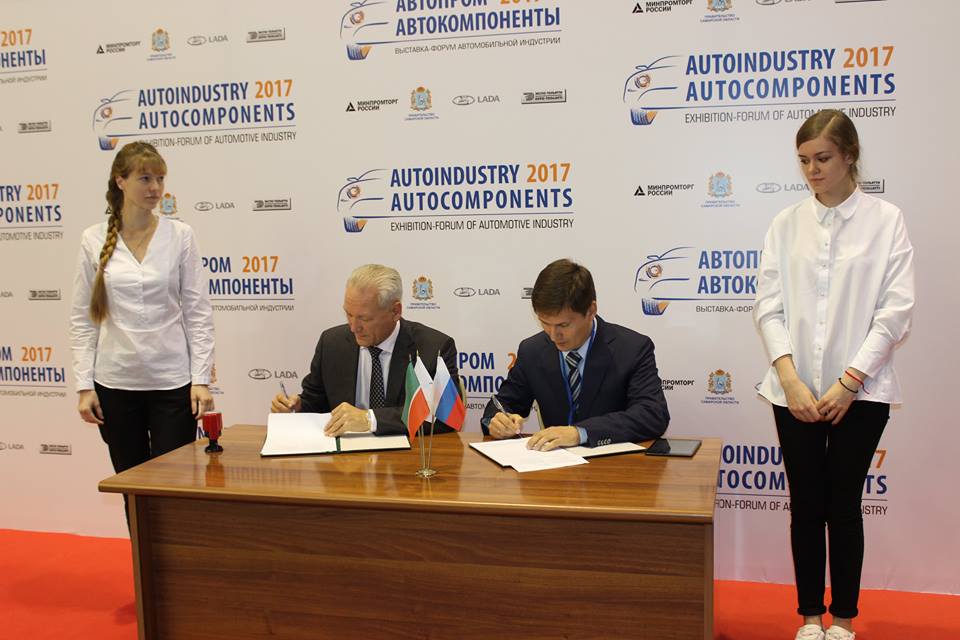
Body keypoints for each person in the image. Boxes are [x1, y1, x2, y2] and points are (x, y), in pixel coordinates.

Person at [754, 109, 915, 640]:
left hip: (862, 393)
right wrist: (790, 379)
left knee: (843, 504)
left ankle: (843, 619)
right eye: (803, 161)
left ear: (850, 155)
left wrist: (849, 382)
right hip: (793, 390)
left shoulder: (886, 220)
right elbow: (768, 307)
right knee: (805, 505)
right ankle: (809, 617)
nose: (812, 170)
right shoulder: (785, 224)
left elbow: (894, 313)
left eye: (822, 158)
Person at [70, 142, 215, 488]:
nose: (155, 188)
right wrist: (84, 386)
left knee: (175, 485)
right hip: (115, 385)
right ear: (120, 181)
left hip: (172, 383)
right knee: (131, 488)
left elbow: (197, 311)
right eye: (145, 178)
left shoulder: (180, 235)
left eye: (160, 179)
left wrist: (200, 379)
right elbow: (82, 319)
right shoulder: (93, 238)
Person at [481, 258, 669, 450]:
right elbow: (502, 404)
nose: (553, 335)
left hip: (614, 463)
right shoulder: (532, 350)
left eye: (563, 325)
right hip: (552, 463)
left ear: (591, 310)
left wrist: (581, 433)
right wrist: (497, 421)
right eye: (545, 323)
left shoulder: (632, 348)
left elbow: (653, 415)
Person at [271, 264, 461, 436]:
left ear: (395, 311)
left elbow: (444, 418)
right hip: (344, 458)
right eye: (348, 314)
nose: (354, 327)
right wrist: (297, 406)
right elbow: (316, 401)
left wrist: (370, 419)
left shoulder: (434, 348)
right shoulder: (331, 343)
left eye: (365, 318)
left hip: (404, 457)